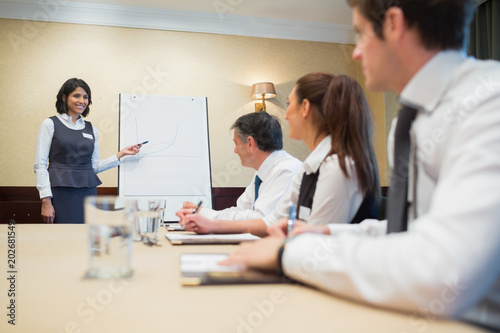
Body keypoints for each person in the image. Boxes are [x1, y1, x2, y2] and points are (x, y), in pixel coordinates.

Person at [221, 0, 500, 330]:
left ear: (394, 25)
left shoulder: (487, 104)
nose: (355, 53)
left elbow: (445, 275)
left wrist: (289, 254)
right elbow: (408, 230)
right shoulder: (411, 120)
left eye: (361, 35)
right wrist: (325, 232)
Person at [178, 73, 380, 237]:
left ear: (305, 108)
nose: (284, 114)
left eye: (288, 103)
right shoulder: (309, 168)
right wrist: (211, 224)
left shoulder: (337, 167)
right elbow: (273, 222)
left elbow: (316, 243)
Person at [34, 78, 142, 224]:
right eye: (76, 96)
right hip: (60, 192)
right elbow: (40, 166)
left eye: (85, 97)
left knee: (86, 237)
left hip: (87, 193)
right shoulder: (50, 124)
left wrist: (121, 154)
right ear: (64, 97)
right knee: (62, 237)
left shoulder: (92, 129)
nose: (82, 101)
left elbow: (93, 167)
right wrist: (46, 201)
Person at [180, 112, 301, 221]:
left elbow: (261, 219)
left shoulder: (286, 170)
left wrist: (205, 214)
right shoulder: (261, 173)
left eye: (236, 143)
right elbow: (240, 211)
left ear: (250, 143)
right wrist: (203, 214)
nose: (235, 150)